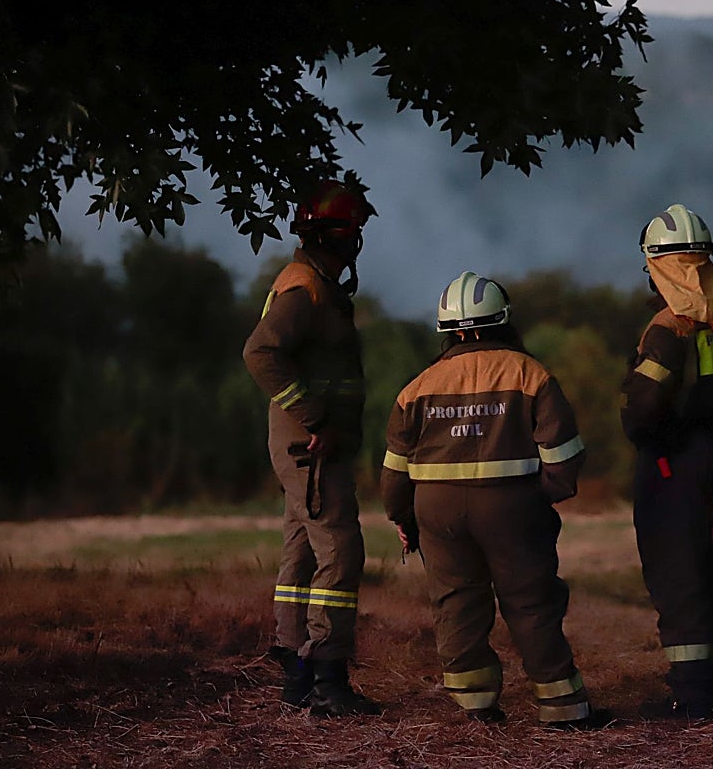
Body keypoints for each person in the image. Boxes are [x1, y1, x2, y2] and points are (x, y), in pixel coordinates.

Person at [380, 271, 612, 729]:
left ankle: (474, 708)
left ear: (446, 330)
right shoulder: (531, 374)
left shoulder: (417, 386)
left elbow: (393, 473)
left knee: (456, 604)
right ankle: (563, 708)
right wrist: (537, 499)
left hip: (438, 512)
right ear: (504, 320)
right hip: (512, 507)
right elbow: (563, 459)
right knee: (531, 603)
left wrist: (404, 518)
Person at [242, 179, 381, 717]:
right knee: (340, 551)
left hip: (309, 447)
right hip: (312, 446)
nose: (359, 240)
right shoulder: (306, 288)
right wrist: (315, 416)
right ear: (338, 233)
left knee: (300, 549)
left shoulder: (314, 282)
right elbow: (260, 352)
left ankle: (297, 669)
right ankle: (327, 676)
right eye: (356, 229)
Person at [620, 203, 713, 720]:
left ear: (655, 265)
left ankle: (693, 698)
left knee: (680, 575)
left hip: (672, 467)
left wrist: (640, 427)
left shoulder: (668, 327)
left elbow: (645, 407)